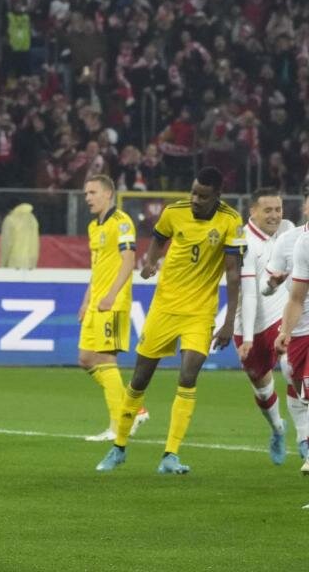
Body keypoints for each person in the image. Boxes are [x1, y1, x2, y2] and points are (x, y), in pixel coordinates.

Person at [96, 167, 245, 474]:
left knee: (188, 376)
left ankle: (170, 455)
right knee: (139, 379)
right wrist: (151, 261)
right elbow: (158, 238)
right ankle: (119, 447)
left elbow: (233, 274)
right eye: (193, 192)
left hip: (201, 311)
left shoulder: (230, 220)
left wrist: (230, 321)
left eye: (203, 196)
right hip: (164, 307)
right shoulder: (173, 212)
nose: (194, 199)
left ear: (217, 195)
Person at [77, 175, 149, 442]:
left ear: (108, 194)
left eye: (93, 192)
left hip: (113, 302)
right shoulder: (93, 227)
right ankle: (135, 409)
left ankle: (119, 425)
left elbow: (128, 262)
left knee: (106, 360)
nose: (88, 198)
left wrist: (111, 295)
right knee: (85, 359)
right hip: (96, 302)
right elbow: (97, 269)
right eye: (86, 194)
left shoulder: (122, 223)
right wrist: (87, 300)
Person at [233, 188, 294, 464]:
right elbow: (248, 293)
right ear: (253, 212)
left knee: (294, 369)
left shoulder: (289, 233)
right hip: (249, 324)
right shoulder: (244, 243)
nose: (274, 215)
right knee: (262, 388)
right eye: (268, 210)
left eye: (278, 209)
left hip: (282, 317)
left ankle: (304, 439)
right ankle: (278, 428)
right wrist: (246, 337)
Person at [263, 188, 309, 467]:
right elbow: (296, 297)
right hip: (302, 330)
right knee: (295, 382)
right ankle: (304, 440)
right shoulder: (298, 243)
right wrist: (285, 331)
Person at [0, 201, 40, 269]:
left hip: (14, 262)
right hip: (31, 262)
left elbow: (6, 244)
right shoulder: (33, 219)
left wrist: (2, 264)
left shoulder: (10, 219)